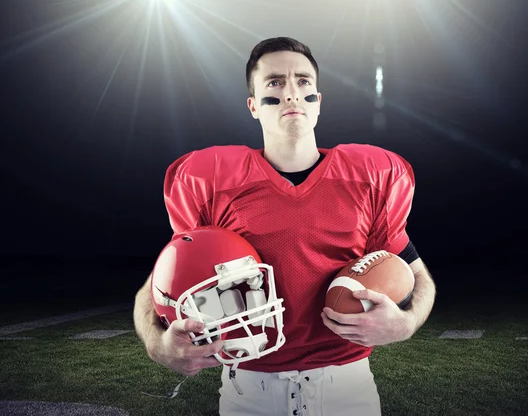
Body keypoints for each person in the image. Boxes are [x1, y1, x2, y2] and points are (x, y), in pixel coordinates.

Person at [134, 36, 436, 416]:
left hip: (348, 389)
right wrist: (156, 343)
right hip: (249, 391)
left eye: (303, 81)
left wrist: (407, 322)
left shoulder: (369, 177)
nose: (292, 93)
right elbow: (159, 282)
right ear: (253, 105)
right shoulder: (213, 181)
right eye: (275, 82)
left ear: (318, 102)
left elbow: (417, 276)